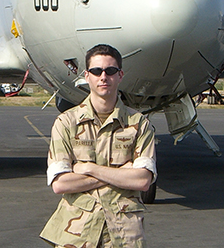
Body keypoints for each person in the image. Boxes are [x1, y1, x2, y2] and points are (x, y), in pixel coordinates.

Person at [40, 44, 157, 248]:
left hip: (124, 236)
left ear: (120, 75)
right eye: (96, 71)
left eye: (110, 71)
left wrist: (89, 168)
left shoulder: (139, 124)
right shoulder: (66, 123)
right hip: (76, 235)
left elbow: (142, 181)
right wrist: (120, 174)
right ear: (87, 76)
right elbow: (60, 184)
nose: (103, 77)